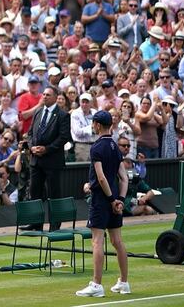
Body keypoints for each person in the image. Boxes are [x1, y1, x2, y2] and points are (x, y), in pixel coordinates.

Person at [75, 110, 130, 298]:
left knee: (97, 241)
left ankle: (97, 285)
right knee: (117, 241)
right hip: (114, 199)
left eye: (93, 123)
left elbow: (101, 177)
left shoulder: (96, 148)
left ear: (98, 125)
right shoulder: (115, 147)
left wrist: (110, 199)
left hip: (102, 200)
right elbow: (124, 178)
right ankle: (124, 283)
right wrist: (120, 200)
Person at [24, 87, 69, 230]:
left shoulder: (62, 115)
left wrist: (47, 149)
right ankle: (35, 223)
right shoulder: (38, 111)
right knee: (34, 192)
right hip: (36, 160)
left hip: (52, 161)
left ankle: (55, 224)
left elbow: (63, 137)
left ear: (56, 97)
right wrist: (31, 147)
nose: (44, 96)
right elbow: (30, 133)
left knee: (54, 194)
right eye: (43, 94)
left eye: (48, 95)